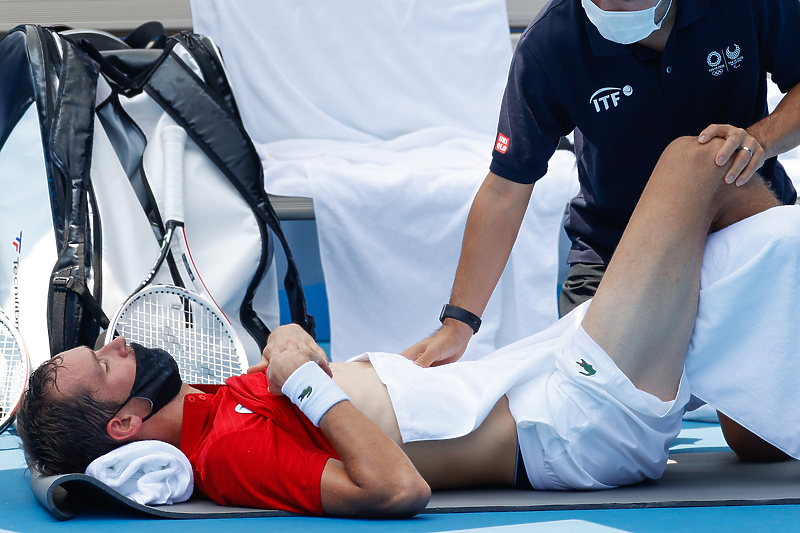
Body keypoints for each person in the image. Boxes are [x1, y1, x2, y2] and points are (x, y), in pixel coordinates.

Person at [15, 136, 793, 517]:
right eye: (103, 359)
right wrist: (304, 376)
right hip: (578, 425)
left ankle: (761, 423)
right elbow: (396, 485)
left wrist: (300, 367)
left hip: (549, 377)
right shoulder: (226, 450)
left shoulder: (224, 405)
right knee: (699, 162)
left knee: (742, 204)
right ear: (124, 419)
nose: (119, 339)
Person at [402, 0, 800, 367]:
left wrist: (760, 141)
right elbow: (506, 188)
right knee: (587, 390)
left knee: (765, 426)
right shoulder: (551, 43)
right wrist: (458, 323)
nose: (614, 6)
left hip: (746, 227)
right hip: (616, 252)